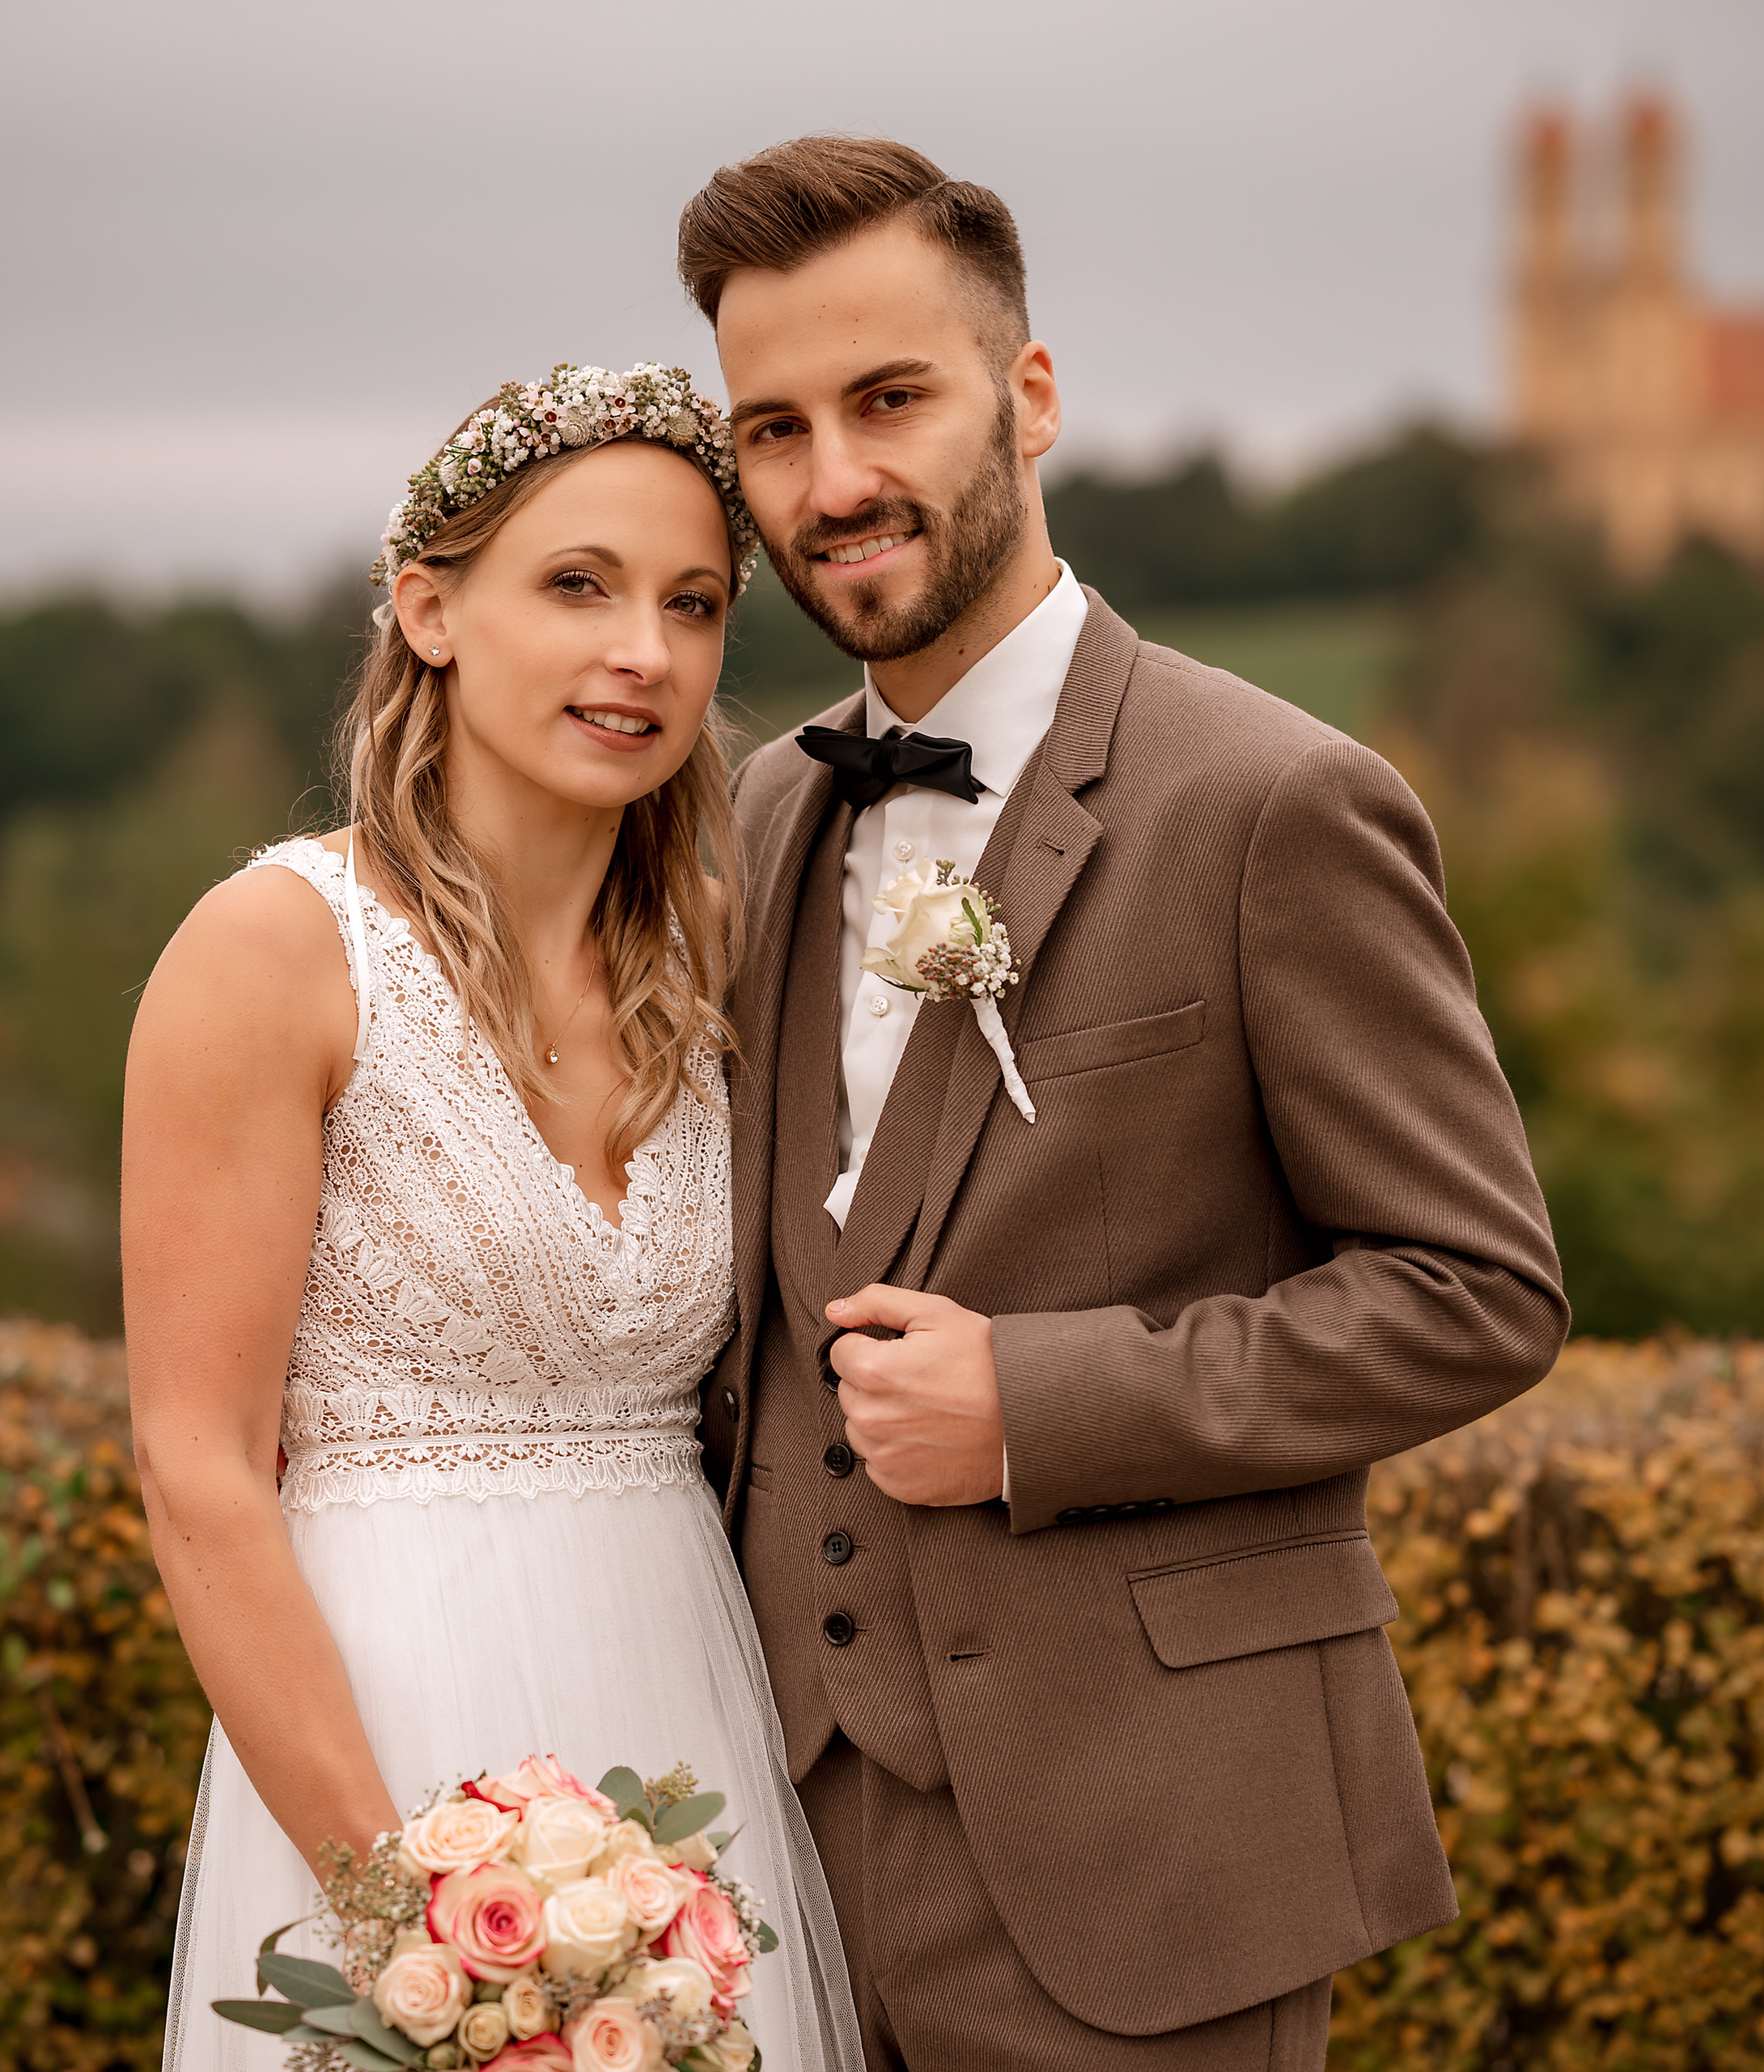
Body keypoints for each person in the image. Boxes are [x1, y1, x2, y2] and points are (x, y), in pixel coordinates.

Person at [678, 139, 1569, 2072]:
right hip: (776, 1865)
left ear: (1030, 396)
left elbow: (1475, 1289)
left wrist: (1039, 1400)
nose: (832, 482)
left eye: (889, 399)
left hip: (1152, 1853)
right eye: (773, 430)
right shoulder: (759, 811)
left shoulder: (1271, 802)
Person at [123, 364, 863, 2072]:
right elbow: (196, 1466)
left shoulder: (713, 955)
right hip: (389, 1739)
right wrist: (404, 1913)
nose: (643, 653)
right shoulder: (275, 950)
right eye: (578, 585)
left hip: (683, 1716)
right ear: (430, 609)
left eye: (692, 604)